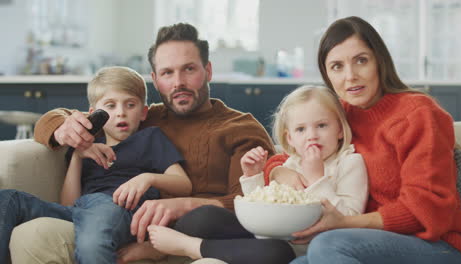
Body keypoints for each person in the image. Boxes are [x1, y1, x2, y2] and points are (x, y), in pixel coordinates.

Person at [9, 23, 274, 264]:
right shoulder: (142, 116)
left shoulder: (241, 130)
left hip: (188, 233)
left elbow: (256, 206)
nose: (178, 82)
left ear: (208, 70)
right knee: (15, 210)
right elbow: (54, 121)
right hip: (98, 213)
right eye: (167, 73)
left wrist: (182, 207)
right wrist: (66, 131)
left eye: (189, 69)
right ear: (156, 79)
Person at [264, 16, 461, 263]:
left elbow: (426, 210)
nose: (350, 76)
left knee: (327, 244)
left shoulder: (418, 114)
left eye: (361, 61)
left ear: (379, 62)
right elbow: (292, 154)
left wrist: (344, 223)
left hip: (437, 245)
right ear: (327, 75)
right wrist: (278, 172)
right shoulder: (339, 113)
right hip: (364, 242)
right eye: (337, 66)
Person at [144, 85, 368, 264]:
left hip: (296, 247)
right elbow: (266, 206)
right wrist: (253, 176)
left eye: (321, 126)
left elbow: (349, 218)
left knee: (274, 254)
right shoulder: (291, 163)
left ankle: (190, 247)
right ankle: (202, 246)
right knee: (202, 217)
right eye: (301, 129)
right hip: (266, 233)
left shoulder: (350, 163)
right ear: (289, 138)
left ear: (339, 129)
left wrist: (317, 179)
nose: (312, 136)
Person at [0, 66, 192, 264]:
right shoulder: (87, 146)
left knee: (97, 228)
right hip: (82, 212)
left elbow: (183, 184)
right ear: (94, 113)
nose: (120, 113)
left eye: (130, 105)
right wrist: (77, 156)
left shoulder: (150, 138)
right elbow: (68, 204)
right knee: (8, 199)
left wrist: (147, 179)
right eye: (110, 106)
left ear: (143, 112)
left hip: (119, 208)